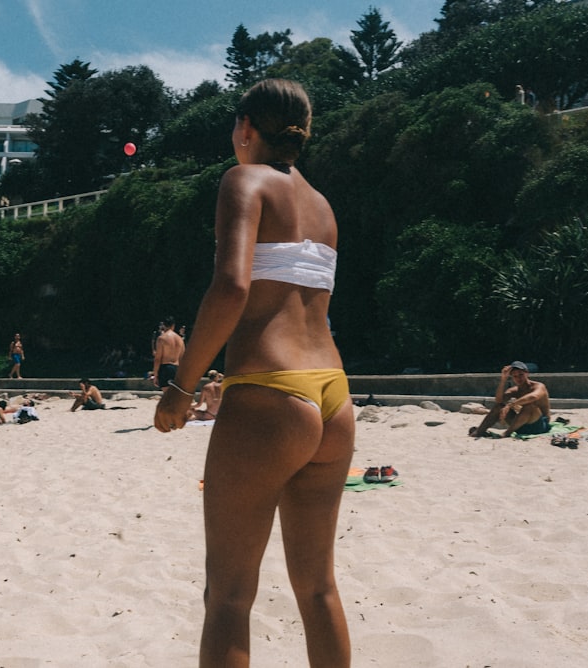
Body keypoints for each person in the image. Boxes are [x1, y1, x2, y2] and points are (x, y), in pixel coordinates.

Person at [153, 79, 353, 666]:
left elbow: (232, 286)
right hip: (334, 397)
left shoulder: (243, 180)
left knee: (229, 597)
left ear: (246, 128)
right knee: (317, 588)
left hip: (270, 392)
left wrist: (182, 386)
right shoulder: (322, 205)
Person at [469, 361, 551, 438]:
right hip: (520, 426)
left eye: (521, 375)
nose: (518, 378)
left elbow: (533, 397)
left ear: (527, 373)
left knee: (530, 406)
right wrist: (503, 380)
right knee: (499, 406)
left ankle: (507, 433)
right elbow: (499, 401)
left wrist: (511, 404)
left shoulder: (538, 386)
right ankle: (480, 431)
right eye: (515, 376)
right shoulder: (514, 390)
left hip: (539, 426)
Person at [152, 316, 186, 390]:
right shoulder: (180, 339)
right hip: (177, 368)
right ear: (173, 325)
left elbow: (158, 358)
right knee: (175, 395)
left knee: (167, 396)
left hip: (166, 368)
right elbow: (182, 357)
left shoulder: (162, 338)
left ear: (164, 325)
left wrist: (155, 374)